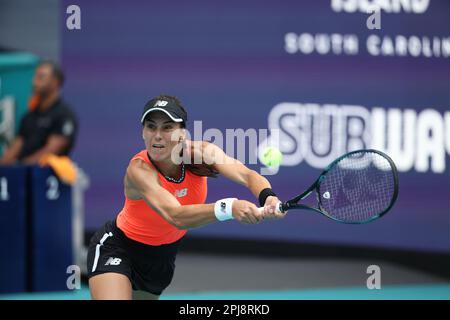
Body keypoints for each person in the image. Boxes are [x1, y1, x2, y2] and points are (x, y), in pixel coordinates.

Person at [87, 95, 286, 300]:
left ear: (182, 133)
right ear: (143, 133)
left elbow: (246, 175)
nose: (157, 135)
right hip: (118, 248)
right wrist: (229, 207)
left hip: (161, 260)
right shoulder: (139, 170)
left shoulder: (202, 153)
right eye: (151, 127)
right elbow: (176, 216)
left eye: (167, 128)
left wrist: (268, 197)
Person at [0, 60, 78, 165]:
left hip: (47, 177)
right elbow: (15, 148)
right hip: (22, 174)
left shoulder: (65, 115)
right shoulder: (28, 117)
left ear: (55, 82)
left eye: (41, 77)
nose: (34, 82)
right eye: (35, 77)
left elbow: (51, 151)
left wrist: (21, 166)